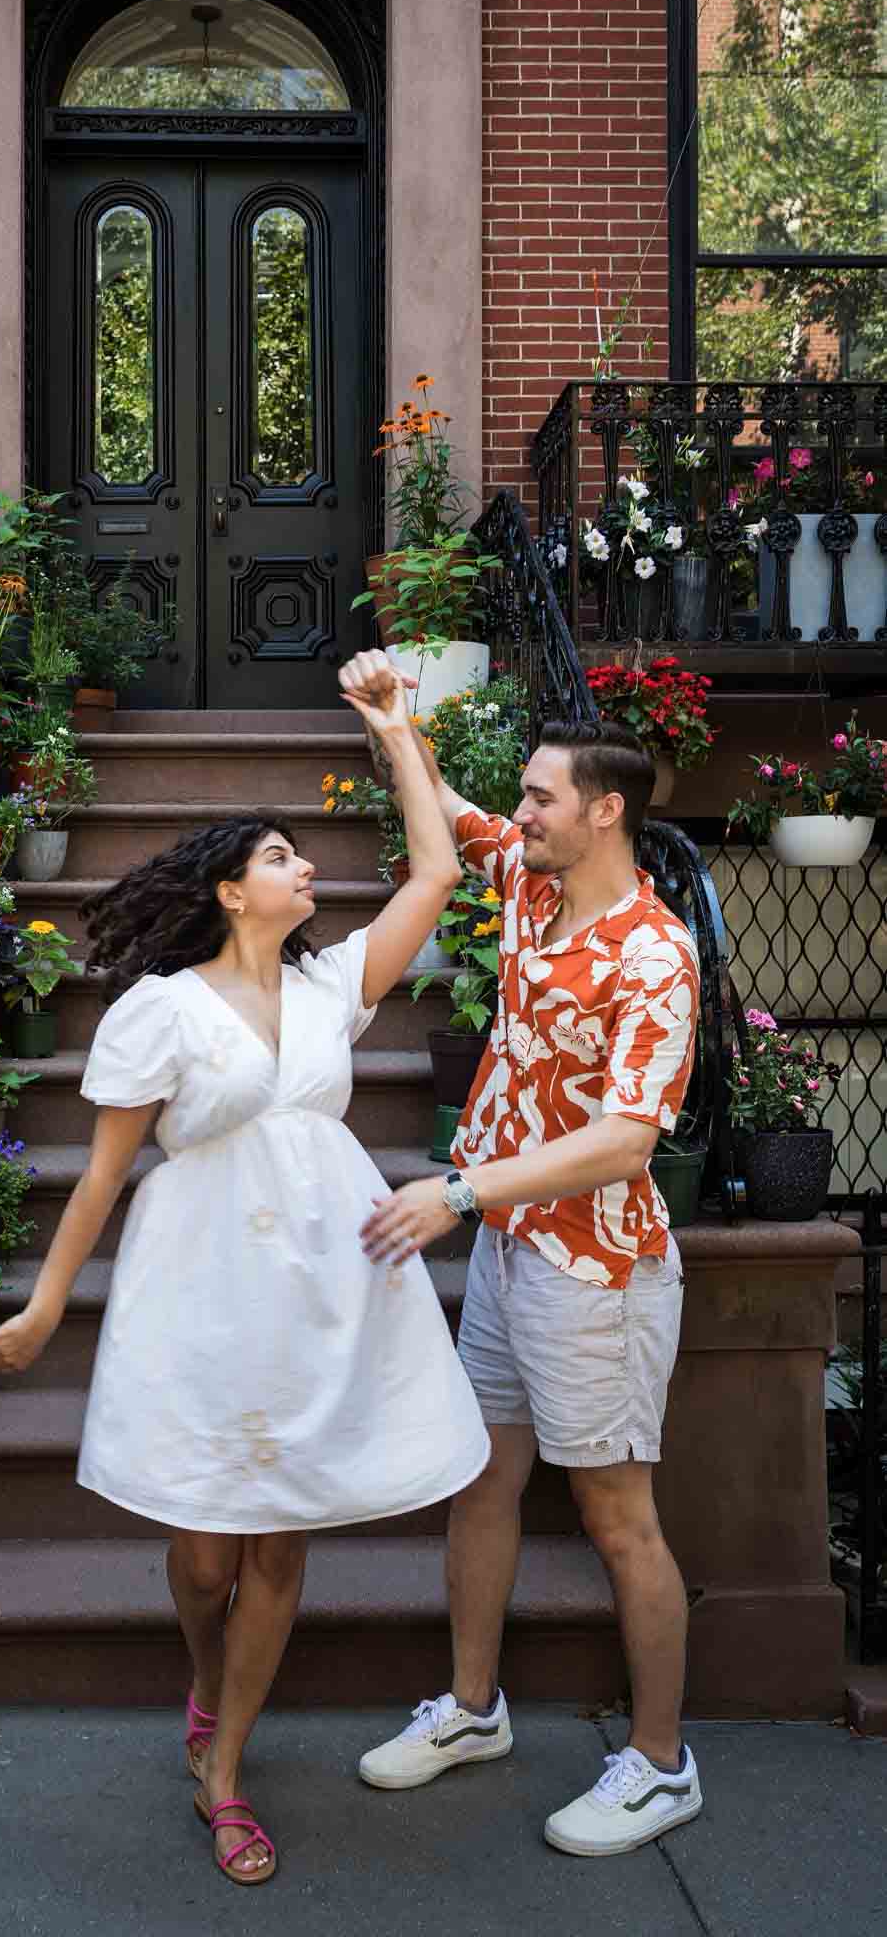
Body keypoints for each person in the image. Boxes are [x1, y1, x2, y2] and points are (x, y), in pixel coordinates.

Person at [0, 668, 489, 1888]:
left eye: (302, 856)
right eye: (279, 854)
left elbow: (436, 875)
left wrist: (398, 732)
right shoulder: (156, 1009)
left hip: (327, 1286)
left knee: (279, 1548)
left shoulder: (328, 990)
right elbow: (96, 1178)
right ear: (227, 887)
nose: (305, 869)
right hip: (199, 1285)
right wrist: (45, 1303)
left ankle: (227, 1764)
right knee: (206, 1555)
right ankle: (207, 1679)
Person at [343, 649, 704, 1859]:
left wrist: (459, 1188)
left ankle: (660, 1764)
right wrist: (397, 725)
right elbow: (450, 814)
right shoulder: (537, 886)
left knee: (616, 1515)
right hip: (508, 1246)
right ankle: (471, 1708)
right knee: (480, 1476)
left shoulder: (654, 954)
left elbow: (624, 1140)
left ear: (606, 809)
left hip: (594, 1268)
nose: (522, 810)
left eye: (542, 795)